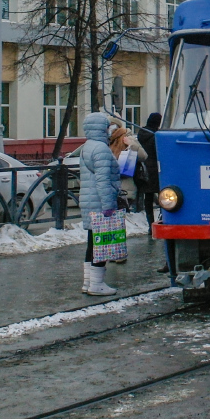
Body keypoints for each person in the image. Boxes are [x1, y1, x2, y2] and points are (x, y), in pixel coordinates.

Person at [79, 112, 122, 295]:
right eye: (107, 126)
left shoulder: (86, 147)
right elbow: (103, 181)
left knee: (92, 242)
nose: (109, 129)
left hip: (88, 200)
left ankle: (88, 282)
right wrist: (109, 206)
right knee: (102, 245)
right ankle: (97, 284)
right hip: (99, 202)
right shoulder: (102, 149)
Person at [135, 112, 162, 229]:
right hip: (156, 169)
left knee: (148, 197)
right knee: (163, 195)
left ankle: (150, 224)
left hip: (143, 170)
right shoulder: (156, 136)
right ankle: (162, 220)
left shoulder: (141, 134)